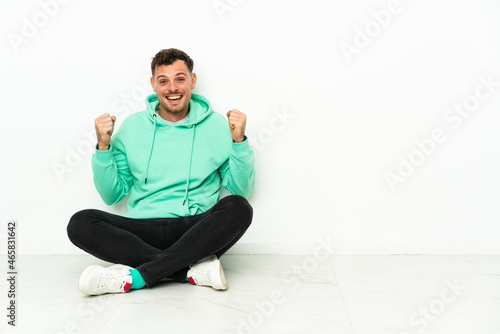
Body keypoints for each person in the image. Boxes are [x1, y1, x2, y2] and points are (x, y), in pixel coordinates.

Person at [67, 48, 254, 296]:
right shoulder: (133, 127)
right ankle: (187, 271)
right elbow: (112, 196)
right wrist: (103, 147)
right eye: (163, 81)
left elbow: (241, 188)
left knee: (239, 207)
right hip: (141, 230)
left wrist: (239, 142)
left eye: (180, 78)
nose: (172, 88)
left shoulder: (218, 126)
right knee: (80, 222)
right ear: (153, 84)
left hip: (193, 230)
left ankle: (135, 278)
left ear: (192, 81)